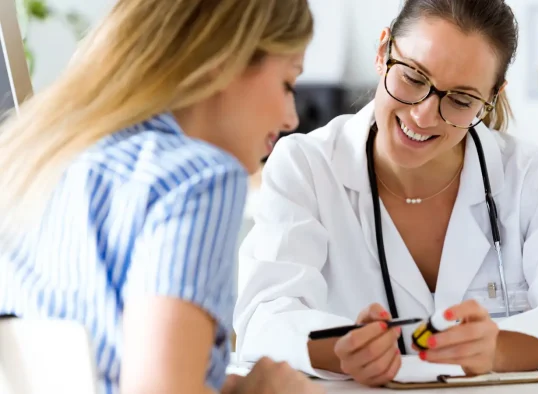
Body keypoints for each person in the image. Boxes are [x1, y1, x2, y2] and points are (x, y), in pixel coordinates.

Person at [232, 0, 538, 388]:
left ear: (490, 96)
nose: (423, 115)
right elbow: (264, 319)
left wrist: (498, 349)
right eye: (413, 77)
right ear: (383, 50)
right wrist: (342, 349)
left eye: (460, 99)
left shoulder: (531, 178)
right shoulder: (306, 167)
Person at [0, 0, 323, 393]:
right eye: (287, 83)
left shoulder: (39, 160)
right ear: (224, 58)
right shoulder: (200, 178)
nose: (292, 118)